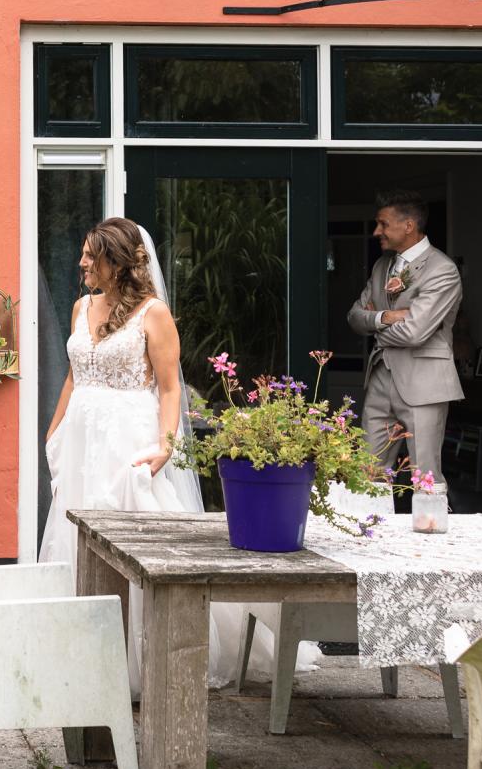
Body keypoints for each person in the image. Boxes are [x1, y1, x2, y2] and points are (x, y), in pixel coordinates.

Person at [38, 217, 302, 688]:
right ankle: (78, 649)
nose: (81, 262)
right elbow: (75, 376)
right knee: (74, 530)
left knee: (135, 535)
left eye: (89, 255)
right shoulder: (82, 307)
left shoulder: (153, 313)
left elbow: (169, 388)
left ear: (116, 262)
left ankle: (143, 659)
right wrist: (54, 431)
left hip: (128, 436)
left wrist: (165, 445)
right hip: (82, 437)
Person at [347, 192, 464, 488]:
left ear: (409, 225)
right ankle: (367, 532)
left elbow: (415, 332)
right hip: (380, 378)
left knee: (424, 477)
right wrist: (384, 318)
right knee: (368, 474)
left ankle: (431, 532)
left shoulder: (442, 270)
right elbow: (354, 316)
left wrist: (376, 325)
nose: (377, 232)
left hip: (424, 383)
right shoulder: (381, 266)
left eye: (383, 224)